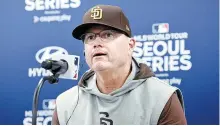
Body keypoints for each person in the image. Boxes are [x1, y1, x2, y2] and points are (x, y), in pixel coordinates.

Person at [52, 4, 187, 125]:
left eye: (107, 35)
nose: (96, 43)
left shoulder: (161, 98)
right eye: (90, 37)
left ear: (130, 45)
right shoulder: (65, 104)